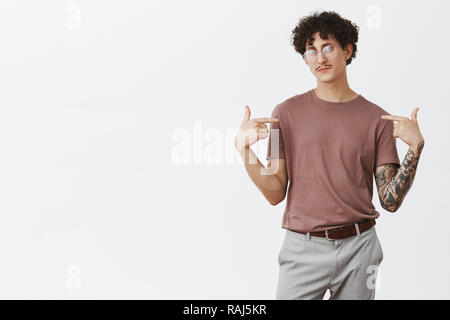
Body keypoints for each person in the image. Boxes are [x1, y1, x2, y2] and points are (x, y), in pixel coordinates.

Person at [234, 10, 425, 300]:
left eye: (328, 47)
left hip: (360, 250)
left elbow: (390, 201)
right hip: (302, 249)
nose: (320, 58)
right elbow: (275, 192)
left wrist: (415, 149)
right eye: (311, 50)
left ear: (347, 50)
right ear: (305, 58)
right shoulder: (284, 114)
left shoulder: (378, 119)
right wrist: (244, 150)